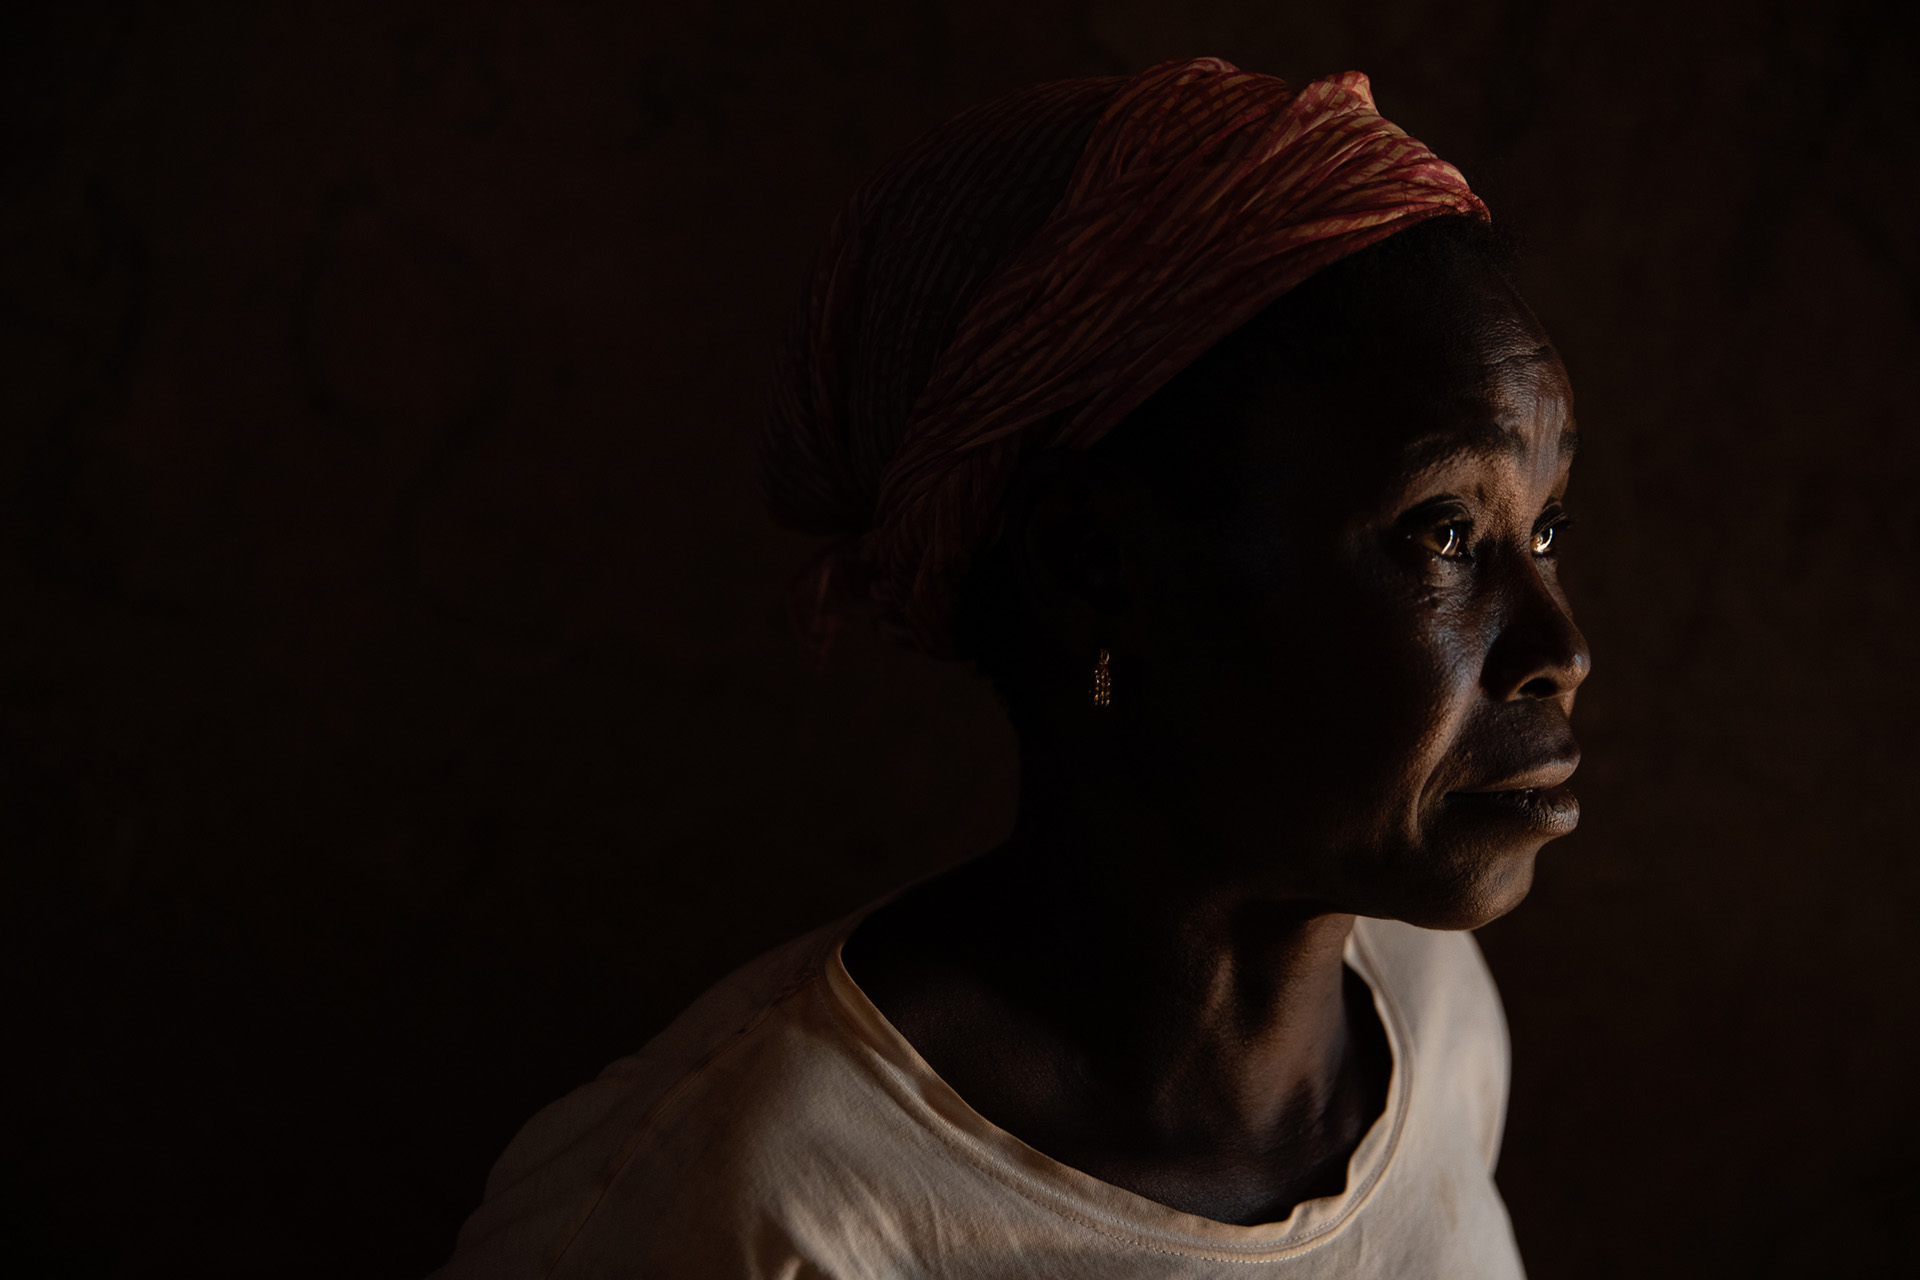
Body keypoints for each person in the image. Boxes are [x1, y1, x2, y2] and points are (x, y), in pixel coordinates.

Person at [434, 56, 1587, 1278]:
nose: (1559, 649)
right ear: (1091, 564)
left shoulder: (1428, 1009)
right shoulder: (755, 1206)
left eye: (1549, 529)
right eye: (1445, 534)